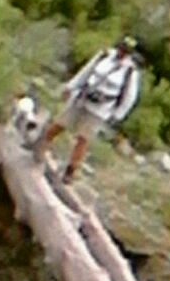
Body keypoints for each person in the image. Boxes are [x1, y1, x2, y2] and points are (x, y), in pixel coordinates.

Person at [34, 36, 142, 183]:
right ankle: (40, 146)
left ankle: (71, 171)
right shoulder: (104, 56)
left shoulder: (130, 71)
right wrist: (71, 87)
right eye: (122, 48)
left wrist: (117, 115)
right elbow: (85, 72)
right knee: (60, 124)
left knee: (83, 139)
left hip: (100, 109)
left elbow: (129, 97)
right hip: (83, 98)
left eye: (126, 51)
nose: (122, 52)